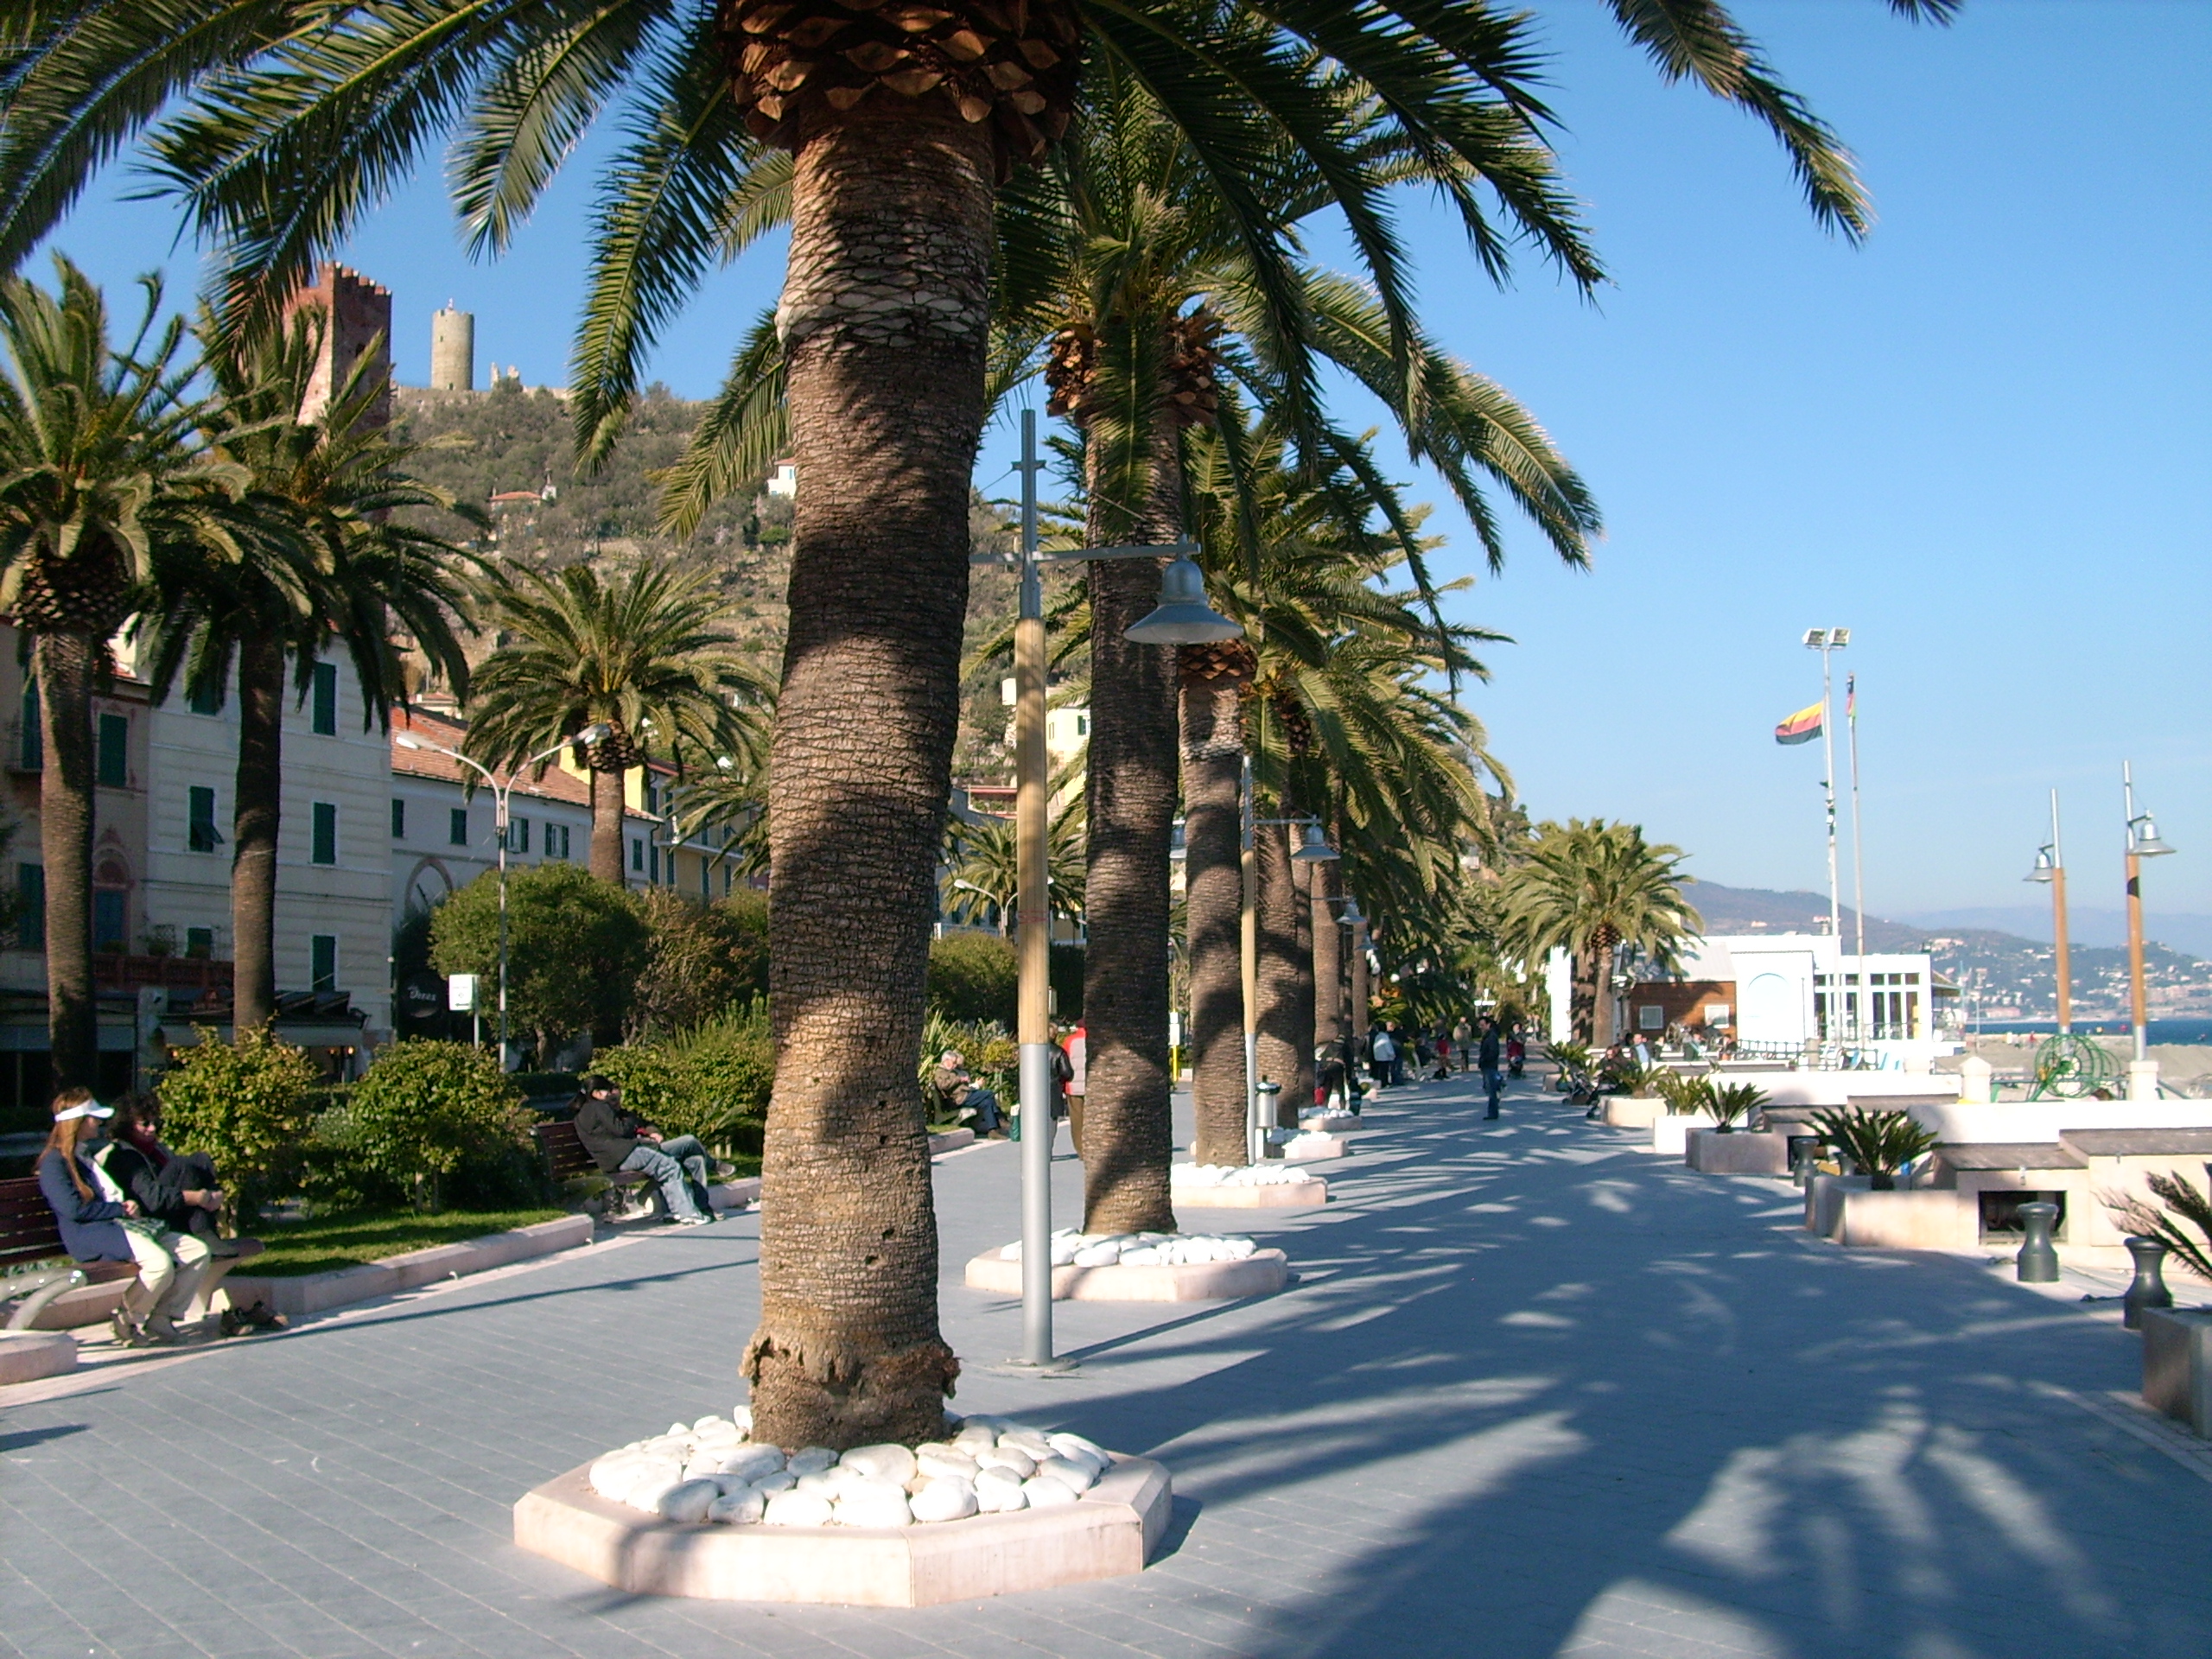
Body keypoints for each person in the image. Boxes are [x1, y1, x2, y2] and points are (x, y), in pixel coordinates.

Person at [35, 1089, 213, 1346]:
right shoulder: (55, 1163)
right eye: (94, 1118)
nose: (99, 1122)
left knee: (196, 1251)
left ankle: (162, 1317)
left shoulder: (82, 1156)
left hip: (116, 1227)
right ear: (80, 1122)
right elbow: (74, 1210)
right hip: (90, 1235)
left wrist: (121, 1210)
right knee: (159, 1263)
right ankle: (128, 1319)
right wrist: (119, 1210)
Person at [100, 1092, 283, 1335]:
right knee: (185, 1164)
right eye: (145, 1123)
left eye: (156, 1122)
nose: (153, 1128)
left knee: (200, 1159)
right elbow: (153, 1199)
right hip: (146, 1222)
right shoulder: (124, 1157)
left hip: (170, 1218)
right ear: (126, 1125)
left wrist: (213, 1196)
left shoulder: (157, 1152)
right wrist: (197, 1198)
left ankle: (204, 1236)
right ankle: (203, 1232)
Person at [571, 1075, 715, 1225]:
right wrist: (631, 1121)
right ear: (596, 1093)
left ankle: (677, 1212)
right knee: (670, 1166)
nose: (610, 1094)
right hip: (625, 1153)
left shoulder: (583, 1113)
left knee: (670, 1165)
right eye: (607, 1091)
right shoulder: (599, 1106)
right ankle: (688, 1213)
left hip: (614, 1158)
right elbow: (620, 1130)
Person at [931, 1051, 1005, 1138]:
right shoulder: (940, 1072)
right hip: (959, 1099)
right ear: (946, 1061)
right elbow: (942, 1085)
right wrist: (959, 1079)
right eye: (953, 1062)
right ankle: (1000, 1117)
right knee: (989, 1093)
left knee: (987, 1102)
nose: (955, 1065)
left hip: (965, 1095)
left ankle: (993, 1130)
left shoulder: (951, 1071)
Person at [1478, 1018, 1504, 1119]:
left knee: (1491, 1090)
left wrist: (1485, 1060)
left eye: (1483, 1025)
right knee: (1489, 1089)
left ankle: (1493, 1113)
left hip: (1490, 1066)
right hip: (1487, 1066)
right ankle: (1492, 1112)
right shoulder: (1487, 1036)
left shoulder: (1491, 1037)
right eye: (1480, 1025)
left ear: (1488, 1025)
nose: (1481, 1027)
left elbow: (1493, 1052)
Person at [1368, 1025, 1396, 1091]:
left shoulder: (1377, 1036)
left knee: (1380, 1070)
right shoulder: (1385, 1037)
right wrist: (1391, 1054)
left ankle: (1381, 1082)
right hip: (1384, 1057)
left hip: (1378, 1056)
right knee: (1384, 1070)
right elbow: (1387, 1046)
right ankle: (1384, 1083)